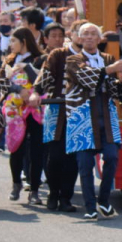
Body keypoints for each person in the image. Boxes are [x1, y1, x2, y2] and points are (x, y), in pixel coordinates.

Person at [64, 23, 122, 219]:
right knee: (85, 164)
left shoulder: (107, 58)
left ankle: (104, 200)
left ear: (100, 39)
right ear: (79, 38)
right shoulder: (73, 59)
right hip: (83, 117)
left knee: (112, 156)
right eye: (85, 34)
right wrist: (111, 69)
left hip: (106, 115)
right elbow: (88, 79)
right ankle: (90, 207)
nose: (90, 37)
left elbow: (113, 91)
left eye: (94, 34)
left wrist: (121, 82)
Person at [36, 24, 78, 212]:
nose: (58, 39)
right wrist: (36, 92)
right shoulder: (57, 55)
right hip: (55, 109)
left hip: (79, 111)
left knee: (72, 158)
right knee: (54, 155)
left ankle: (66, 197)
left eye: (61, 35)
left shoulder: (89, 55)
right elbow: (44, 78)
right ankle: (53, 192)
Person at [2, 28, 44, 204]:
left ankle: (34, 189)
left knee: (36, 150)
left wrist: (27, 68)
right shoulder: (9, 60)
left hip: (34, 110)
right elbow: (2, 83)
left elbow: (41, 81)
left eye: (14, 41)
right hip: (15, 110)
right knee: (16, 148)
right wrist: (18, 89)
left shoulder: (39, 59)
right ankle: (16, 183)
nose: (11, 44)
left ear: (24, 41)